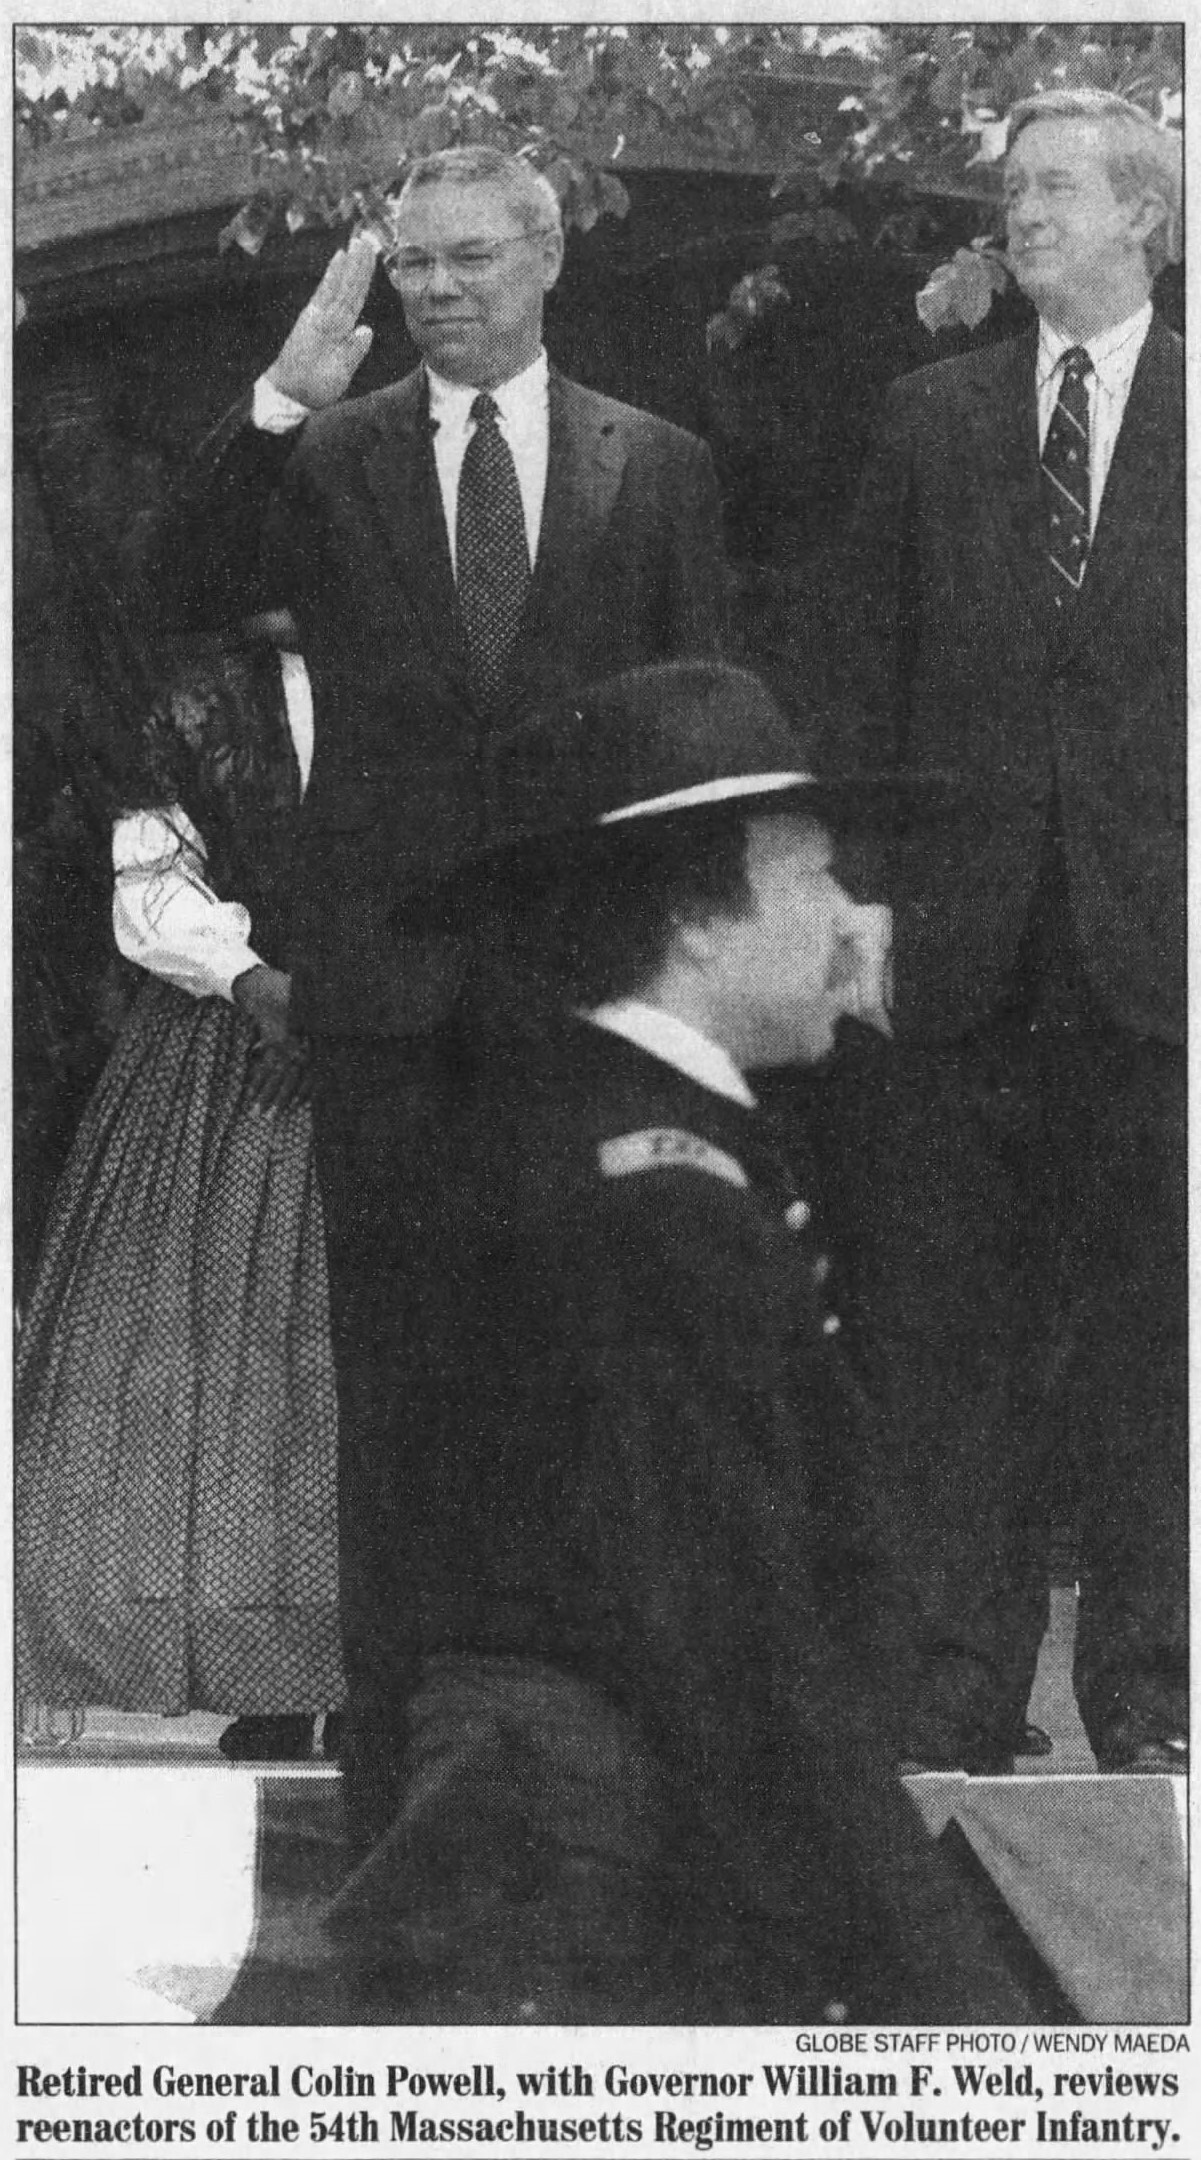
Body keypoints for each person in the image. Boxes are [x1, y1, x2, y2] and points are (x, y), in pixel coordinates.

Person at [322, 659, 1040, 2025]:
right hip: (595, 1900)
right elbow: (734, 1634)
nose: (855, 921)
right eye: (816, 877)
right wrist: (949, 2000)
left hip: (585, 1869)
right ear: (696, 918)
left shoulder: (601, 1141)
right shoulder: (654, 1198)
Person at [145, 147, 730, 1765]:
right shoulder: (327, 458)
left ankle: (601, 1743)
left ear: (546, 261)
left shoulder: (659, 464)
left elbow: (700, 738)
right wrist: (278, 392)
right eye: (415, 266)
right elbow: (180, 587)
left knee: (596, 1375)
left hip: (590, 1004)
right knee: (401, 1392)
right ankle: (403, 1749)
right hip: (393, 1001)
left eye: (470, 259)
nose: (439, 290)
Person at [812, 89, 1184, 1774]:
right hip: (956, 971)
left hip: (1159, 969)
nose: (1022, 214)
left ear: (1147, 218)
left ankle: (1158, 1704)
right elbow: (857, 691)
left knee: (1154, 1353)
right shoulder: (926, 420)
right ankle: (951, 1698)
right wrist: (860, 918)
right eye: (1011, 188)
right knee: (942, 1351)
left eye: (1055, 188)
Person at [16, 620, 344, 1761]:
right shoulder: (195, 703)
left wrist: (352, 995)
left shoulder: (414, 674)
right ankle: (264, 1672)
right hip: (220, 1049)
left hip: (384, 1040)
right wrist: (256, 983)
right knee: (223, 1347)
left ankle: (366, 1663)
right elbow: (150, 894)